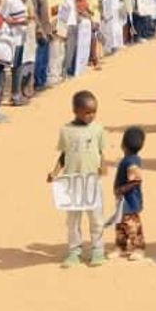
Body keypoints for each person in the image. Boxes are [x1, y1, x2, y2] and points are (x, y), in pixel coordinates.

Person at [45, 90, 107, 268]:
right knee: (73, 219)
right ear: (76, 111)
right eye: (87, 112)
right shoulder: (67, 130)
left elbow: (101, 152)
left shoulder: (98, 130)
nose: (91, 115)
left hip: (92, 181)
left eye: (94, 111)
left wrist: (103, 165)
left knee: (96, 217)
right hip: (72, 181)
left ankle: (97, 249)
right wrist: (54, 172)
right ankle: (74, 251)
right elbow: (64, 154)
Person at [113, 126, 146, 260]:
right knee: (121, 224)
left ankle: (138, 248)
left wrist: (122, 189)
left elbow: (136, 181)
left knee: (133, 226)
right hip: (123, 201)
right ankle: (121, 247)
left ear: (123, 144)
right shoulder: (128, 159)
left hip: (131, 200)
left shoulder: (132, 162)